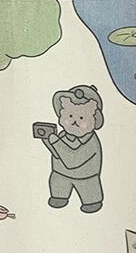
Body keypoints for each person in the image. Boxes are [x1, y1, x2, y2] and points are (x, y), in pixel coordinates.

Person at [41, 85, 105, 213]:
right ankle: (60, 196)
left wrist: (55, 142)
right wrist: (47, 140)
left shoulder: (91, 142)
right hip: (60, 173)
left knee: (89, 193)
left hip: (85, 176)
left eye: (81, 118)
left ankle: (91, 202)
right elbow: (57, 154)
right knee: (59, 185)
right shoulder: (63, 135)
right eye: (70, 116)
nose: (74, 121)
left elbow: (73, 160)